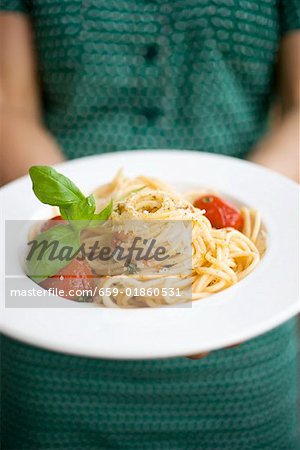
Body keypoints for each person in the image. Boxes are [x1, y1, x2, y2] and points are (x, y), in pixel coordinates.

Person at [1, 1, 299, 448]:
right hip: (58, 359)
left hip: (239, 370)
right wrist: (84, 237)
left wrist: (245, 213)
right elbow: (9, 103)